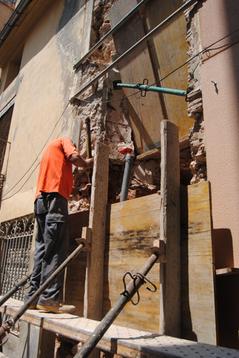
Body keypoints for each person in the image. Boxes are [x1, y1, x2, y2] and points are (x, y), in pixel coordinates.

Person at [25, 137, 93, 313]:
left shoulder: (49, 151)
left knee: (42, 248)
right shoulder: (64, 140)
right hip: (55, 197)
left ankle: (32, 297)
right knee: (56, 248)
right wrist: (86, 163)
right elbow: (73, 157)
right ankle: (49, 298)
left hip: (40, 200)